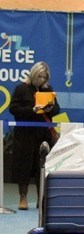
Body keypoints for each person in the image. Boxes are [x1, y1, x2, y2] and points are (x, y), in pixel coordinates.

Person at [9, 61, 60, 210]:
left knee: (42, 167)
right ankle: (23, 197)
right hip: (24, 135)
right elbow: (14, 109)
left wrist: (49, 108)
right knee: (23, 166)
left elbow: (57, 109)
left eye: (45, 77)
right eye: (40, 77)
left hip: (42, 134)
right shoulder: (21, 88)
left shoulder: (48, 89)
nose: (42, 80)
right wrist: (33, 109)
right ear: (33, 74)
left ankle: (41, 199)